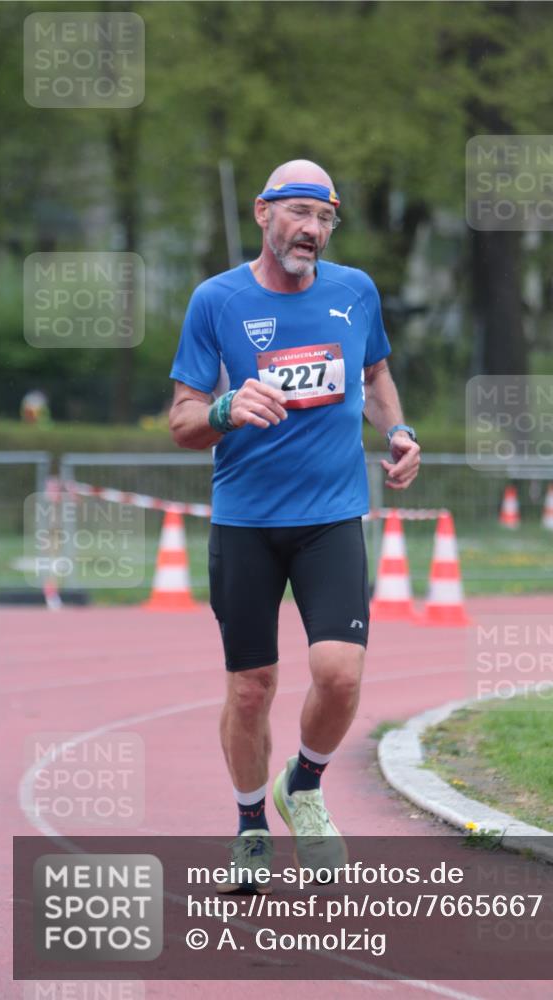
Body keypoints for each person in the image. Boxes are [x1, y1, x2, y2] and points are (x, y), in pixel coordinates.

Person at [168, 159, 421, 890]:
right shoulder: (215, 301)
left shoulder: (354, 293)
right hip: (246, 521)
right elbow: (183, 419)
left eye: (325, 217)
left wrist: (398, 432)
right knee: (251, 687)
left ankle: (302, 785)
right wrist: (223, 409)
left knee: (338, 676)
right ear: (262, 213)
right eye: (300, 213)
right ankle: (250, 824)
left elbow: (373, 378)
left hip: (331, 516)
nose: (312, 229)